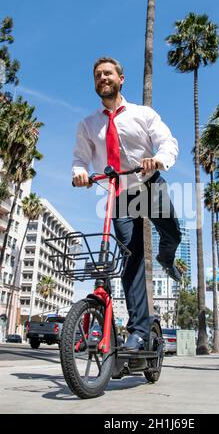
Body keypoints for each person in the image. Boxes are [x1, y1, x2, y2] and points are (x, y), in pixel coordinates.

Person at [72, 57, 181, 351]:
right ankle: (139, 332)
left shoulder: (142, 114)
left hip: (149, 184)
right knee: (130, 259)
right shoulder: (88, 124)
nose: (102, 78)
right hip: (120, 194)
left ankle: (167, 258)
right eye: (97, 75)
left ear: (121, 79)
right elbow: (80, 159)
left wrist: (158, 158)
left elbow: (168, 142)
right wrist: (79, 173)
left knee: (172, 233)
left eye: (108, 73)